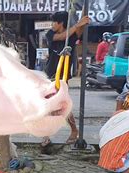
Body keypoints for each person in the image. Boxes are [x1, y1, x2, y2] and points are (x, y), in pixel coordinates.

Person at [42, 11, 90, 152]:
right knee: (48, 106)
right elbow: (63, 36)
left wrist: (83, 19)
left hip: (63, 77)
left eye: (54, 22)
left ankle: (73, 130)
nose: (52, 25)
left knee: (63, 105)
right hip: (51, 75)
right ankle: (46, 135)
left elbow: (79, 29)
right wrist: (78, 24)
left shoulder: (72, 34)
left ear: (60, 23)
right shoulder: (50, 34)